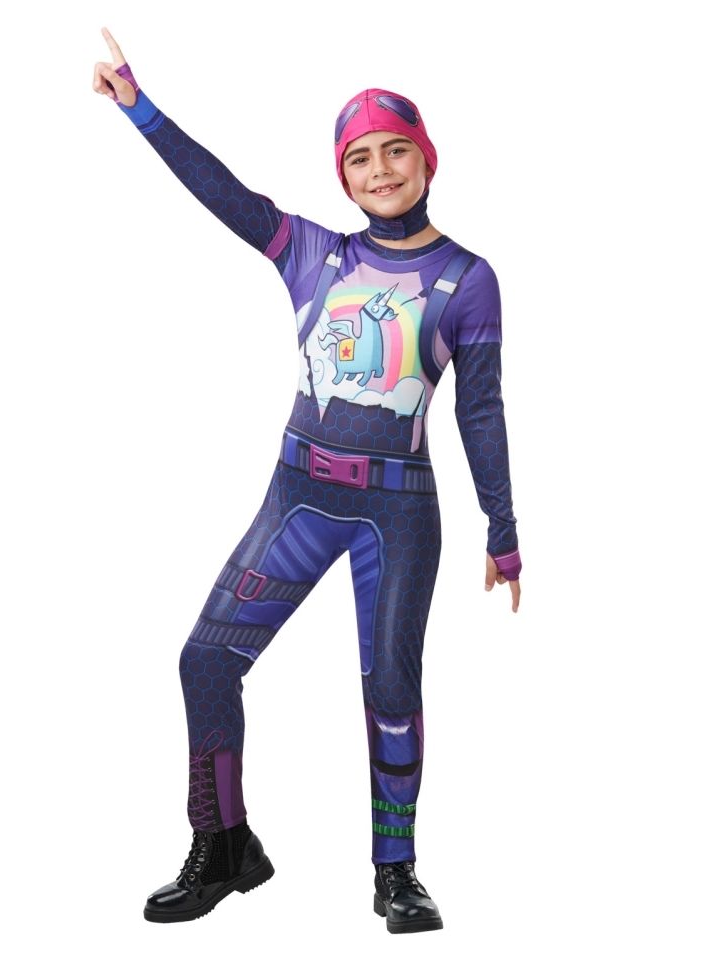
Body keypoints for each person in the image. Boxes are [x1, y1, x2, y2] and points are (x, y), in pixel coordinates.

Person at [93, 26, 522, 934]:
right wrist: (142, 110)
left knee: (391, 690)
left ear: (427, 158)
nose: (380, 170)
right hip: (298, 497)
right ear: (343, 176)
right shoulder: (312, 253)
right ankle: (225, 845)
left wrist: (504, 529)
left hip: (396, 515)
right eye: (360, 158)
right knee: (206, 661)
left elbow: (480, 413)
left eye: (395, 150)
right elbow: (225, 194)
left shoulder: (468, 279)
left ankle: (396, 872)